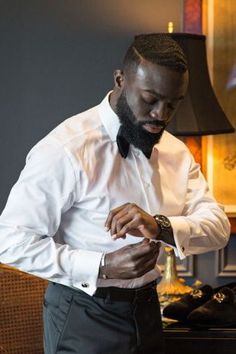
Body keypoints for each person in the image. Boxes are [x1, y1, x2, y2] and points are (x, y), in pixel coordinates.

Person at [0, 33, 230, 354]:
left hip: (148, 312)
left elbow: (218, 228)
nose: (161, 115)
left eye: (172, 103)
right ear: (120, 80)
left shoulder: (176, 152)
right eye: (150, 100)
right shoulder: (66, 149)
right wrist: (103, 266)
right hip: (84, 313)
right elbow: (10, 242)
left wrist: (159, 225)